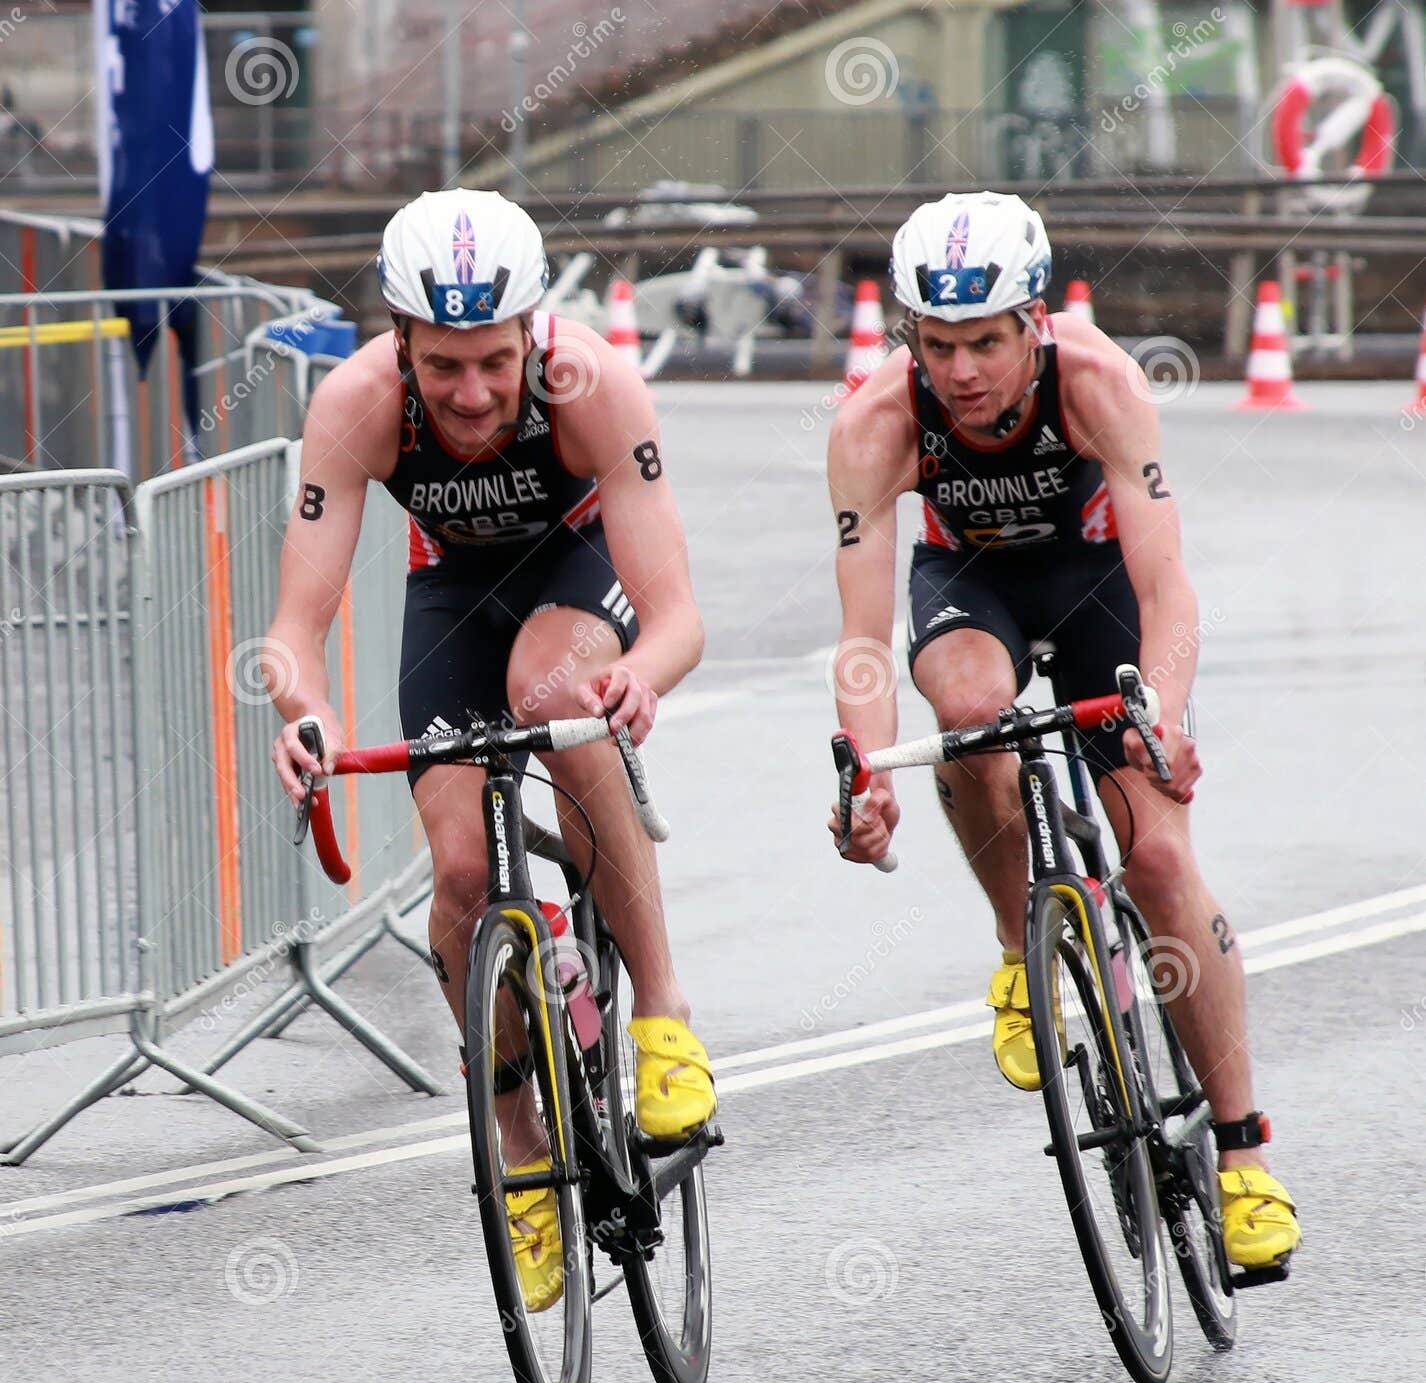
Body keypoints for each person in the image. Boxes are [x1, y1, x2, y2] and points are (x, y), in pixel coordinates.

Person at [825, 190, 1298, 1275]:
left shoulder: (1099, 384)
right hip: (970, 585)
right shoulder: (875, 424)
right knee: (967, 714)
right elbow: (859, 632)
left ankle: (1242, 1158)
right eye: (934, 344)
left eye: (985, 342)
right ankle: (1016, 947)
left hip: (1099, 589)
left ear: (1033, 321)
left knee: (1162, 859)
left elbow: (1165, 584)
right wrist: (863, 767)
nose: (961, 372)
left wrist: (1161, 720)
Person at [265, 189, 716, 1310]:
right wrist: (302, 713)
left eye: (492, 363)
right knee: (462, 876)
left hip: (572, 578)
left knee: (550, 691)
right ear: (400, 340)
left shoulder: (593, 386)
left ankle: (659, 1011)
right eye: (443, 366)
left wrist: (638, 678)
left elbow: (677, 617)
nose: (470, 394)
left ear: (532, 337)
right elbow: (293, 627)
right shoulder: (358, 403)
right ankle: (520, 1148)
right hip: (452, 597)